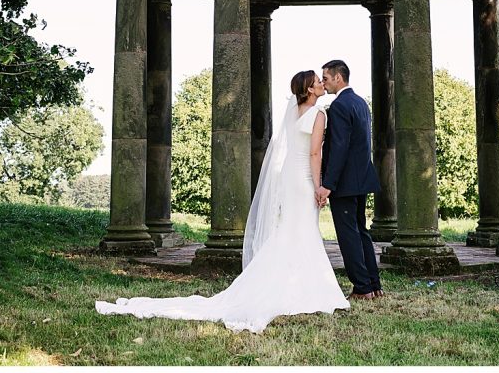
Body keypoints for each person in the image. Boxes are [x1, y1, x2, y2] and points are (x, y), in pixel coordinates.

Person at [94, 70, 350, 333]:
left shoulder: (293, 113)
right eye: (317, 82)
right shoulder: (319, 114)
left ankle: (289, 283)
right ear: (309, 89)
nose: (321, 83)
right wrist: (319, 185)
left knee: (290, 230)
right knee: (304, 229)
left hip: (288, 177)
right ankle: (311, 290)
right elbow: (315, 152)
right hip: (304, 178)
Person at [315, 59, 383, 299]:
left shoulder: (340, 106)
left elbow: (339, 148)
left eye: (325, 78)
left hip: (344, 183)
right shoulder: (361, 103)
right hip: (362, 178)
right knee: (361, 232)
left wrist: (328, 185)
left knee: (348, 235)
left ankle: (362, 288)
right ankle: (374, 285)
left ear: (338, 78)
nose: (323, 82)